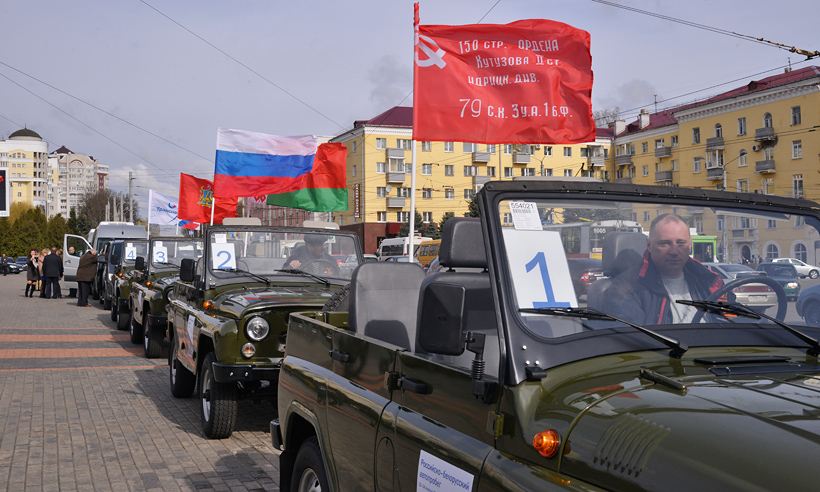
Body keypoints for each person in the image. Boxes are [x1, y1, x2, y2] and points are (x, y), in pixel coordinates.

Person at [601, 214, 723, 325]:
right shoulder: (627, 287)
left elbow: (735, 318)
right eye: (665, 243)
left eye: (681, 243)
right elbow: (630, 337)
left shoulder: (708, 281)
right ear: (649, 245)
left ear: (690, 245)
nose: (674, 251)